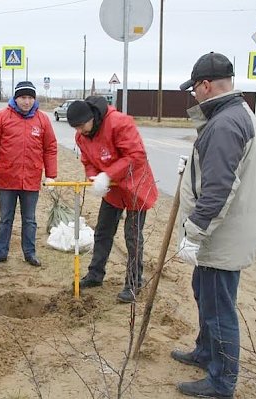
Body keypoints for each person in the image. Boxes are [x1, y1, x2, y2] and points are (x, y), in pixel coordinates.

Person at [172, 52, 256, 399]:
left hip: (219, 237)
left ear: (206, 85)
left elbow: (219, 191)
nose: (193, 96)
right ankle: (206, 352)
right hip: (226, 233)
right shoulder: (238, 115)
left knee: (218, 309)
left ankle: (221, 382)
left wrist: (194, 233)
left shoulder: (225, 124)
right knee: (204, 293)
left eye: (194, 89)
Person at [66, 96, 158, 303]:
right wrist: (92, 178)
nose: (80, 132)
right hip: (112, 190)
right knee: (102, 231)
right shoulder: (82, 136)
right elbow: (87, 160)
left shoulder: (119, 123)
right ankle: (95, 274)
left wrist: (108, 175)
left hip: (135, 186)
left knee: (132, 236)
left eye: (82, 126)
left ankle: (133, 284)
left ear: (92, 117)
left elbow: (136, 156)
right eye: (76, 128)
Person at [0, 81, 57, 267]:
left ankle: (30, 253)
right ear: (15, 98)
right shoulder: (2, 117)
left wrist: (51, 174)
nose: (26, 102)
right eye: (23, 97)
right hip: (7, 178)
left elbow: (50, 148)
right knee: (6, 218)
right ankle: (0, 252)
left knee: (29, 220)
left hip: (31, 178)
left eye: (30, 98)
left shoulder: (42, 120)